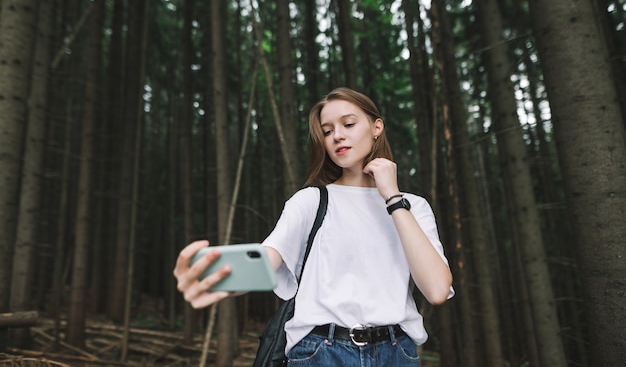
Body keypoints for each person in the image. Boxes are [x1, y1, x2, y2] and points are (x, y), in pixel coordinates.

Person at [174, 87, 454, 366]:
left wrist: (393, 198)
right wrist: (212, 275)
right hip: (322, 353)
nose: (337, 136)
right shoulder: (311, 200)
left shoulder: (414, 207)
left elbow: (437, 290)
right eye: (327, 131)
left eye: (348, 124)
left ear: (376, 126)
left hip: (397, 354)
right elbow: (266, 260)